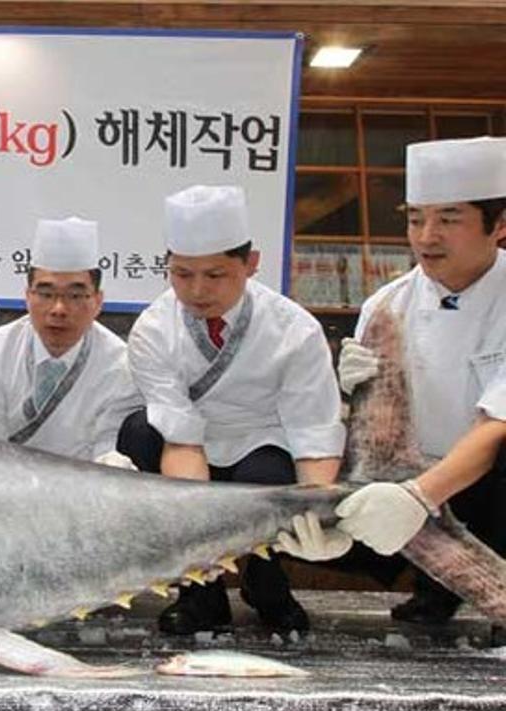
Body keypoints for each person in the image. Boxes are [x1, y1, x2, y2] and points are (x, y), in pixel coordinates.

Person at [281, 136, 506, 628]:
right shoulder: (387, 305)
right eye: (414, 218)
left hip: (485, 477)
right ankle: (436, 589)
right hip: (405, 474)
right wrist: (350, 395)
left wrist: (419, 496)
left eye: (449, 219)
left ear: (500, 225)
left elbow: (495, 426)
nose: (427, 236)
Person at [119, 185, 345, 636]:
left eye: (216, 275)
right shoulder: (153, 330)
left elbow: (312, 429)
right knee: (140, 432)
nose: (197, 290)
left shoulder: (294, 330)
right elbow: (180, 435)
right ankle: (200, 593)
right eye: (182, 274)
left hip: (263, 440)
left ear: (251, 264)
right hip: (188, 449)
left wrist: (319, 515)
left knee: (262, 481)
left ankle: (268, 589)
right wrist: (199, 526)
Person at [0, 216, 142, 461]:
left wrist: (112, 460)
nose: (59, 308)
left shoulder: (122, 366)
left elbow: (107, 442)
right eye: (46, 293)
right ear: (27, 296)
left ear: (98, 301)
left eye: (75, 296)